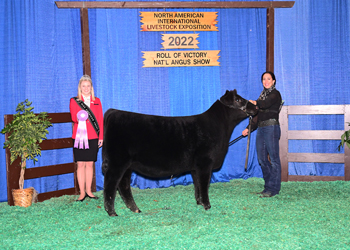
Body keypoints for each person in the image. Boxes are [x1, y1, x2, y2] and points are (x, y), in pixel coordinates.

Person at [242, 71, 282, 198]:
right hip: (261, 128)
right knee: (262, 159)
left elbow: (265, 104)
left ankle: (274, 188)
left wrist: (255, 103)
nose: (266, 81)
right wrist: (249, 128)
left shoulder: (275, 94)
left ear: (273, 81)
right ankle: (268, 187)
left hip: (271, 127)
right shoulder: (261, 96)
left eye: (268, 79)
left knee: (274, 159)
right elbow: (258, 116)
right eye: (264, 79)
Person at [70, 75, 104, 201]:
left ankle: (89, 191)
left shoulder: (97, 101)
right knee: (80, 164)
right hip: (79, 136)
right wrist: (79, 116)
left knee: (90, 164)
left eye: (88, 86)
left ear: (91, 87)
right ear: (80, 87)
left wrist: (101, 137)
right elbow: (73, 117)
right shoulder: (74, 101)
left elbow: (100, 120)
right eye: (83, 86)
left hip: (93, 136)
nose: (86, 88)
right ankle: (82, 193)